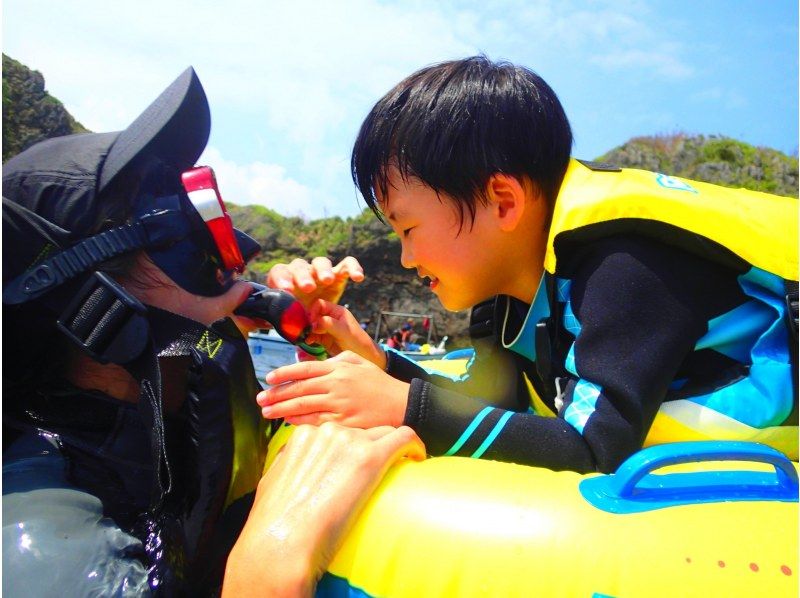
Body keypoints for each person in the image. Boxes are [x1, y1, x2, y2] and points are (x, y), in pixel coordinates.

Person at [260, 56, 798, 473]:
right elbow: (491, 408)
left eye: (408, 228)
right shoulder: (509, 303)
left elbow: (593, 450)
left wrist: (404, 406)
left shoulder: (625, 268)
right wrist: (374, 362)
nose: (406, 257)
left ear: (503, 202)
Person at [2, 67, 424, 596]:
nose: (237, 259)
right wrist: (269, 565)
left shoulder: (175, 409)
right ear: (93, 306)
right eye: (192, 240)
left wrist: (329, 342)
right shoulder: (36, 545)